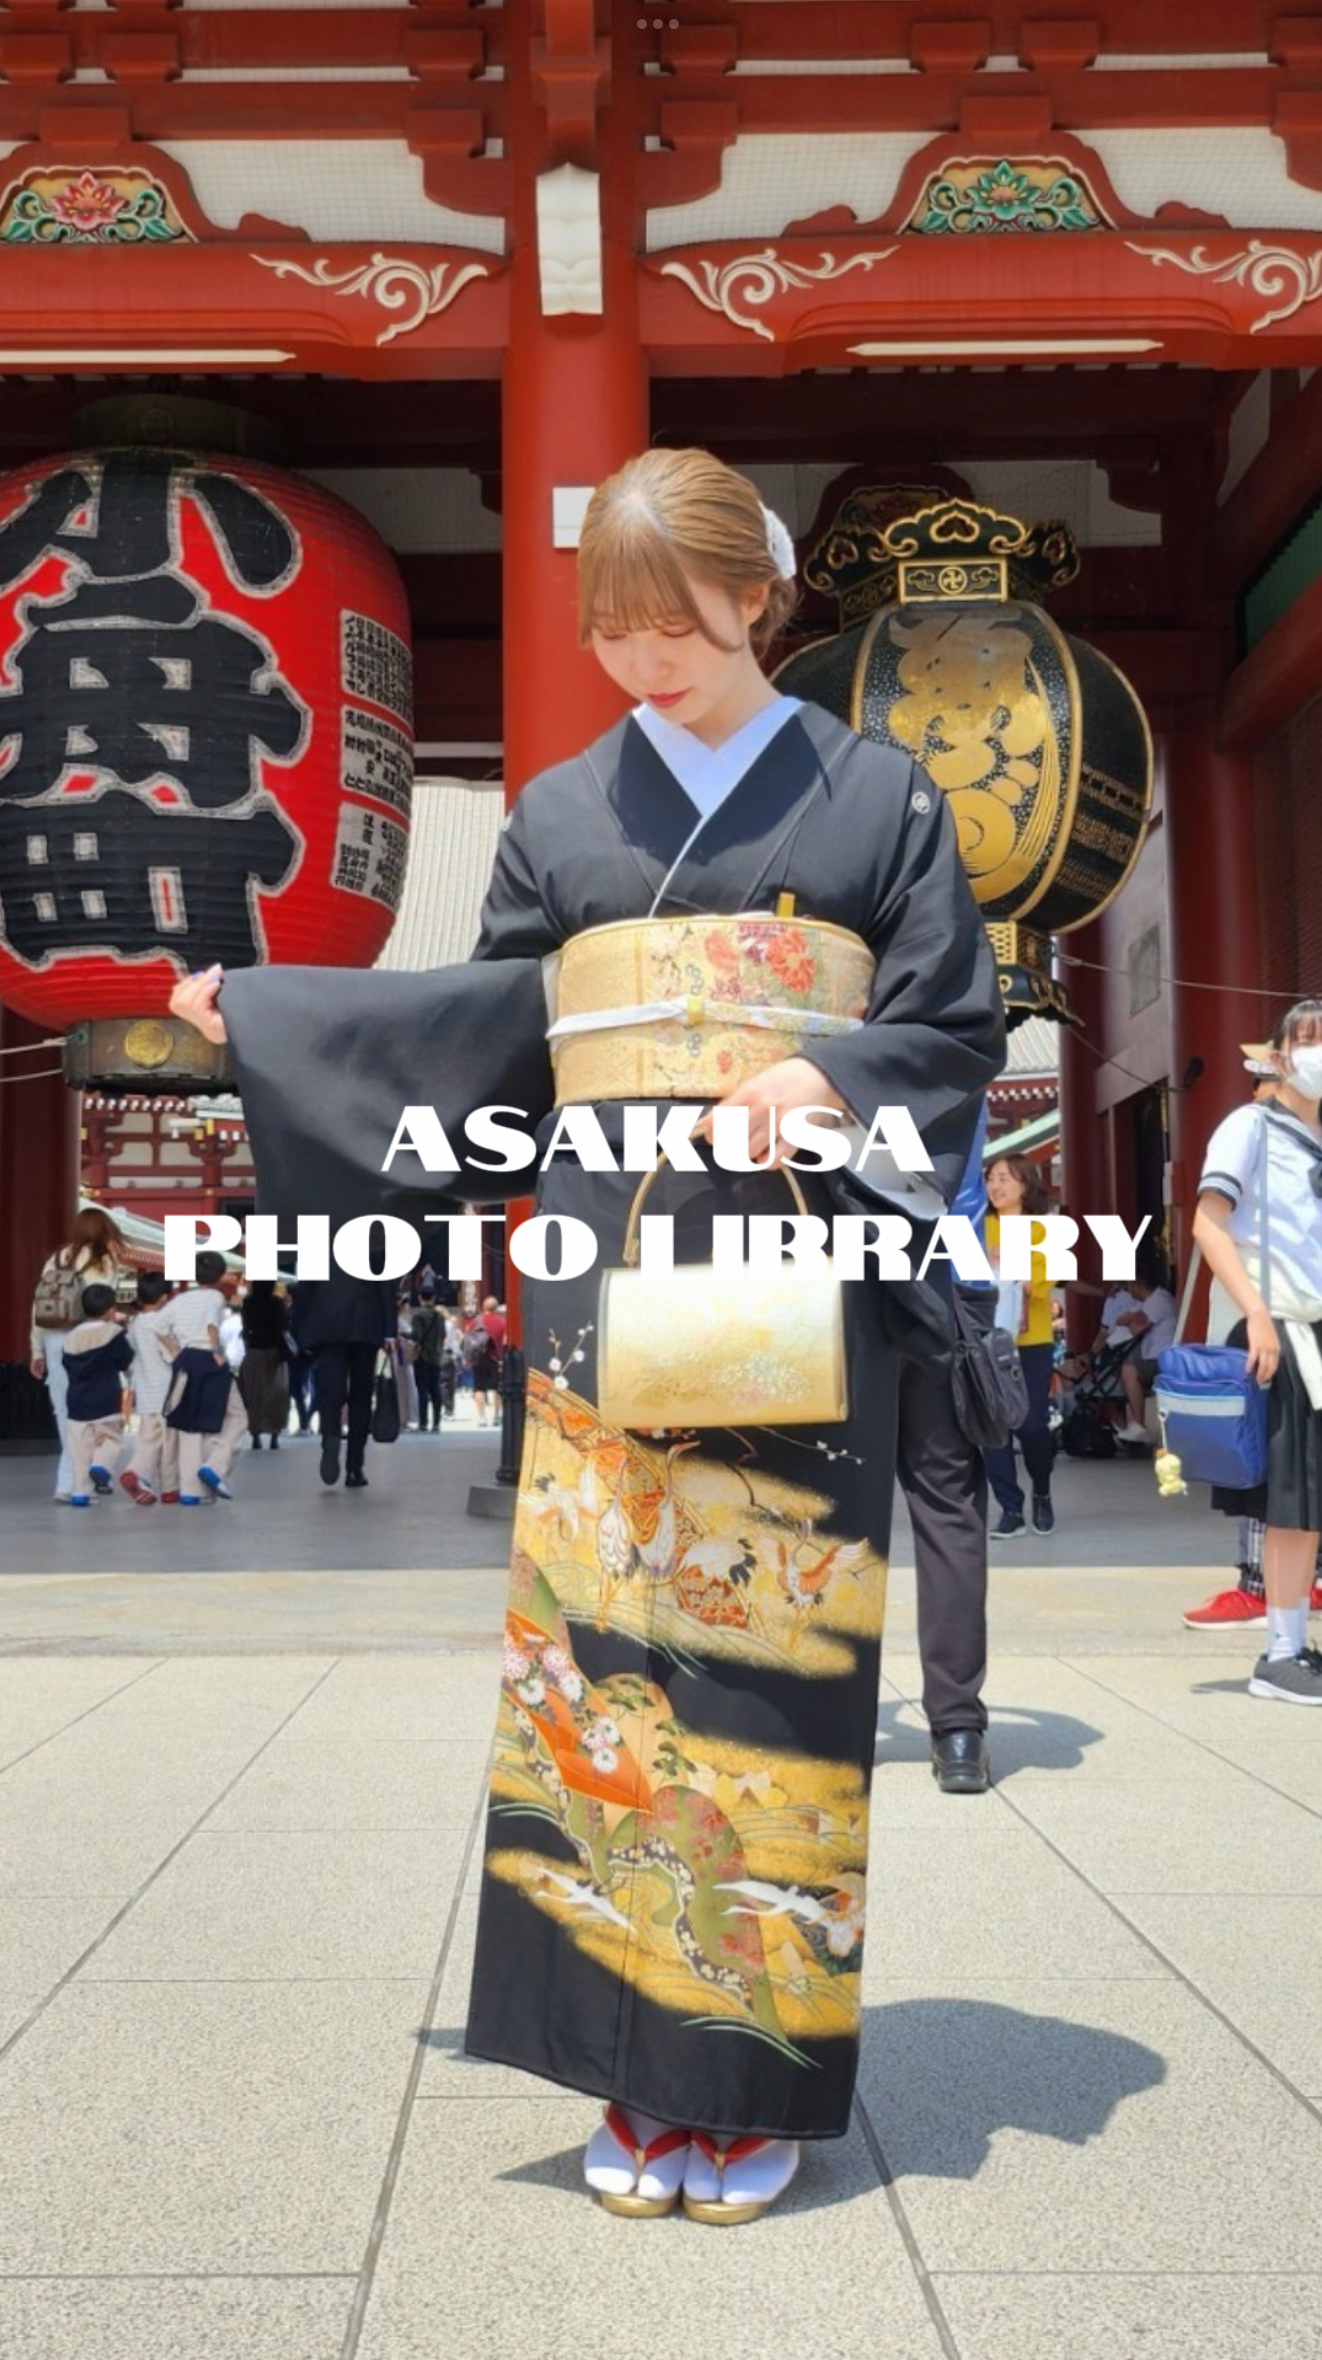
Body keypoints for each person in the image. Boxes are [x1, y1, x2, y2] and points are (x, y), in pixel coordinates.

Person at [168, 447, 1002, 2223]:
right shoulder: (559, 812)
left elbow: (951, 1025)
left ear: (757, 596)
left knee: (768, 1651)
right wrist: (279, 1019)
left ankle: (746, 2074)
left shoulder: (879, 794)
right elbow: (486, 1031)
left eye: (676, 626)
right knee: (598, 1651)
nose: (643, 665)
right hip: (607, 1261)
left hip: (793, 1254)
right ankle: (625, 2066)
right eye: (613, 634)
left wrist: (828, 1075)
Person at [1192, 997, 1322, 1702]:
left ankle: (1296, 1644)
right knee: (1291, 1502)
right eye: (1306, 1041)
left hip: (1316, 1330)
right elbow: (1209, 1224)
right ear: (1277, 1057)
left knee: (1312, 1501)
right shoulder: (1249, 1128)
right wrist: (1256, 1315)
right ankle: (1280, 1652)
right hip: (1279, 1333)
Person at [897, 1098, 994, 1794]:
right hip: (948, 1282)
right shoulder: (955, 1050)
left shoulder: (812, 1051)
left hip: (834, 1281)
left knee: (820, 1502)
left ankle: (813, 1716)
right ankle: (958, 1728)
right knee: (947, 1504)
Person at [984, 1153, 1059, 1537]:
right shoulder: (976, 1227)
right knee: (994, 1428)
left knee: (1031, 1427)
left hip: (1032, 1341)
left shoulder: (1044, 1231)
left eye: (1004, 1179)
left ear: (1025, 1185)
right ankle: (1010, 1508)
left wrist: (1006, 1261)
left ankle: (1041, 1491)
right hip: (987, 1341)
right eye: (991, 1178)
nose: (995, 1186)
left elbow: (1040, 1285)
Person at [29, 1208, 126, 1503]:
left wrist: (36, 1349)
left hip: (54, 1338)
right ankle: (82, 1482)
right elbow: (107, 1303)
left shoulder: (57, 1259)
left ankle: (67, 1483)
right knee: (95, 1414)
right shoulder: (104, 1260)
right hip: (89, 1338)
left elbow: (38, 1305)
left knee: (65, 1413)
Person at [290, 1271, 397, 1489]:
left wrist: (298, 1330)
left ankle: (331, 1435)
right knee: (361, 1397)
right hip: (366, 1323)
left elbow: (305, 1289)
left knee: (330, 1391)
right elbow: (386, 1285)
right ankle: (355, 1468)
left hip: (328, 1322)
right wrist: (389, 1331)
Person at [161, 1250, 247, 1504]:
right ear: (220, 1275)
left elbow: (159, 1327)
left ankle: (191, 1491)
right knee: (237, 1416)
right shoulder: (215, 1297)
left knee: (190, 1424)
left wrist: (176, 1352)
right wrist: (218, 1353)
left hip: (186, 1360)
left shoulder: (179, 1300)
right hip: (208, 1359)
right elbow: (211, 1325)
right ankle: (215, 1467)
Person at [63, 1283, 133, 1507]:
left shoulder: (71, 1337)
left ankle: (80, 1493)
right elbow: (125, 1361)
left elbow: (67, 1365)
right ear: (111, 1310)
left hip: (77, 1402)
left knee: (80, 1451)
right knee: (112, 1439)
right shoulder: (114, 1333)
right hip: (106, 1398)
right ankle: (101, 1466)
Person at [120, 1271, 180, 1506]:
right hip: (167, 1391)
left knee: (148, 1440)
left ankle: (135, 1472)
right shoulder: (162, 1323)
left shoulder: (136, 1324)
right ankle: (169, 1488)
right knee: (169, 1443)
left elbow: (131, 1354)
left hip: (146, 1393)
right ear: (165, 1297)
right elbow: (170, 1356)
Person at [239, 1278, 290, 1448]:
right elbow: (284, 1326)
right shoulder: (277, 1303)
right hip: (275, 1353)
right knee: (277, 1394)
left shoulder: (249, 1303)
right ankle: (274, 1434)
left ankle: (255, 1434)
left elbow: (246, 1326)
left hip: (254, 1351)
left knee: (254, 1393)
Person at [410, 1283, 447, 1432]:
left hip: (421, 1355)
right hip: (436, 1356)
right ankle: (436, 1422)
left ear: (420, 1297)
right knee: (435, 1389)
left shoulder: (417, 1315)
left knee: (422, 1390)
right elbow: (443, 1335)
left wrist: (402, 1334)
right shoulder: (440, 1316)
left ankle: (423, 1422)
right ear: (434, 1297)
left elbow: (416, 1336)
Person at [467, 1294, 505, 1427]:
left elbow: (468, 1340)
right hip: (495, 1359)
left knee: (479, 1388)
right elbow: (505, 1341)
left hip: (478, 1359)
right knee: (497, 1388)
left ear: (483, 1307)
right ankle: (496, 1416)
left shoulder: (475, 1322)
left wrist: (468, 1358)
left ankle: (482, 1417)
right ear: (496, 1308)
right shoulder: (501, 1323)